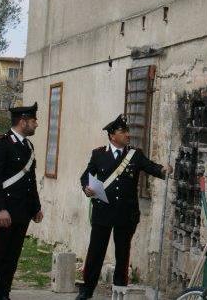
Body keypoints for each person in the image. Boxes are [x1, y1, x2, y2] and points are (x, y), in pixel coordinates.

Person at [76, 115, 171, 300]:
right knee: (95, 252)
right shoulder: (99, 154)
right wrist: (86, 188)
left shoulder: (135, 155)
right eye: (123, 131)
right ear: (112, 135)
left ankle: (119, 291)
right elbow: (86, 176)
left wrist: (163, 170)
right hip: (103, 211)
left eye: (128, 131)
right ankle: (86, 290)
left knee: (123, 253)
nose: (128, 134)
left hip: (126, 213)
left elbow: (151, 167)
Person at [0, 103, 44, 300]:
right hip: (5, 211)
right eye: (33, 120)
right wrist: (0, 208)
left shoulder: (28, 146)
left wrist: (36, 207)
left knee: (12, 257)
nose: (36, 124)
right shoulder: (1, 143)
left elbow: (30, 181)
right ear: (23, 122)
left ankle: (2, 294)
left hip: (22, 212)